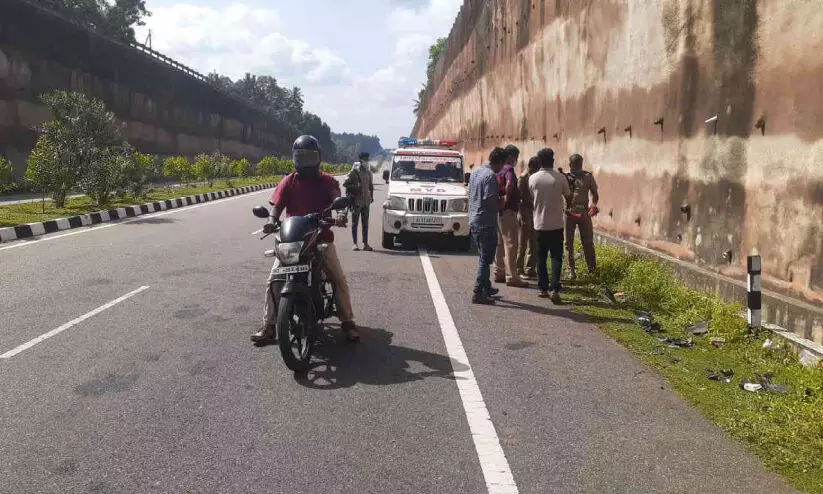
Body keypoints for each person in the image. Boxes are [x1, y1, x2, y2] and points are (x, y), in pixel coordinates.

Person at [251, 135, 359, 344]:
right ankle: (269, 326)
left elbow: (336, 197)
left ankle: (347, 322)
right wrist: (272, 220)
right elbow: (276, 206)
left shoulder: (327, 181)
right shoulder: (289, 180)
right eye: (301, 157)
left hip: (320, 239)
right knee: (273, 281)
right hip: (292, 241)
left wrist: (340, 216)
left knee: (338, 280)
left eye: (310, 157)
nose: (305, 162)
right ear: (295, 158)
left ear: (318, 158)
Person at [529, 148, 571, 303]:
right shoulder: (560, 178)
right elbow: (568, 196)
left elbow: (532, 197)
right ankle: (554, 288)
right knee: (556, 257)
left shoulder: (532, 178)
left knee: (540, 257)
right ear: (552, 160)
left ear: (539, 161)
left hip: (539, 224)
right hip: (557, 225)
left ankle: (542, 288)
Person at [468, 148, 506, 304]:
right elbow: (490, 200)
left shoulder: (476, 172)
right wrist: (501, 203)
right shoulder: (491, 176)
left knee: (483, 256)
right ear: (500, 163)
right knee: (485, 259)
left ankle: (486, 286)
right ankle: (478, 291)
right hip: (485, 222)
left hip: (474, 220)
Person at [494, 144, 528, 287]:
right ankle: (512, 276)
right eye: (516, 158)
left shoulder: (498, 169)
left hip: (499, 212)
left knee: (500, 243)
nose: (516, 160)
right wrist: (507, 200)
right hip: (508, 211)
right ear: (511, 157)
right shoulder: (508, 169)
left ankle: (499, 272)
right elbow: (509, 184)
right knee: (511, 244)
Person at [564, 153, 600, 279]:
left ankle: (592, 270)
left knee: (588, 242)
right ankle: (571, 270)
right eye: (575, 164)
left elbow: (595, 193)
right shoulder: (566, 177)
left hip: (584, 212)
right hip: (569, 212)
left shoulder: (588, 177)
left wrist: (593, 205)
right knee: (569, 242)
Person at [343, 152, 374, 251]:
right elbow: (345, 184)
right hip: (357, 202)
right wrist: (356, 187)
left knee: (365, 223)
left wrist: (372, 197)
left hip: (366, 202)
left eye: (368, 159)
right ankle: (354, 244)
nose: (367, 161)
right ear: (361, 160)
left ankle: (365, 244)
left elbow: (370, 186)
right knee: (355, 223)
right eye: (366, 159)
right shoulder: (354, 172)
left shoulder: (368, 172)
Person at [516, 156, 540, 278]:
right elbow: (518, 197)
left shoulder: (535, 176)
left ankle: (530, 268)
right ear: (532, 166)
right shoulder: (523, 178)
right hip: (525, 212)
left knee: (534, 241)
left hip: (534, 212)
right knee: (522, 243)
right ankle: (519, 268)